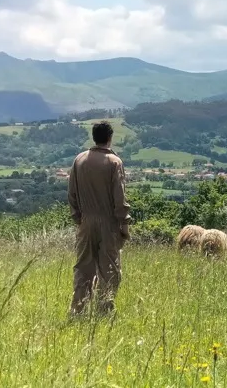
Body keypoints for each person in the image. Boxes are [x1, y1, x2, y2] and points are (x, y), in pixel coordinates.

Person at [67, 121, 132, 317]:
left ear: (94, 137)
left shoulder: (79, 160)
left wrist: (79, 218)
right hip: (108, 223)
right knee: (110, 269)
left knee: (83, 268)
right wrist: (124, 223)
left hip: (85, 222)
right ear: (110, 137)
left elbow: (72, 194)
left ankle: (77, 310)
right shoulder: (114, 162)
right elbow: (119, 198)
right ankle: (104, 311)